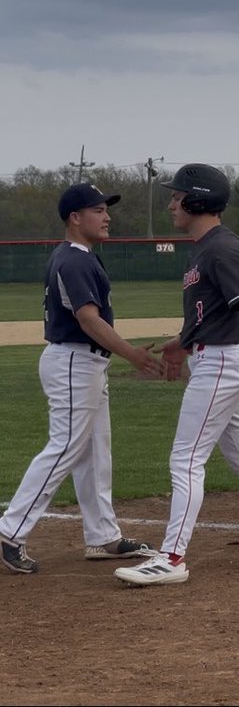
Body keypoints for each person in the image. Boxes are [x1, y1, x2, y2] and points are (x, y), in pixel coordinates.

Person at [115, 164, 239, 586]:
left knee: (185, 458)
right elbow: (215, 313)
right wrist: (180, 342)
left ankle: (172, 557)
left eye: (178, 195)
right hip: (214, 356)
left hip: (222, 362)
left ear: (198, 200)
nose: (172, 203)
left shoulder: (220, 247)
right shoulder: (205, 247)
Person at [0, 184, 160, 575]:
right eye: (98, 210)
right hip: (73, 361)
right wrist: (133, 354)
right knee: (65, 447)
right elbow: (87, 319)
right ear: (75, 217)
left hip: (82, 363)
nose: (107, 217)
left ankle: (103, 536)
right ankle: (9, 532)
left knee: (94, 451)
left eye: (106, 210)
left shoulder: (79, 256)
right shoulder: (73, 260)